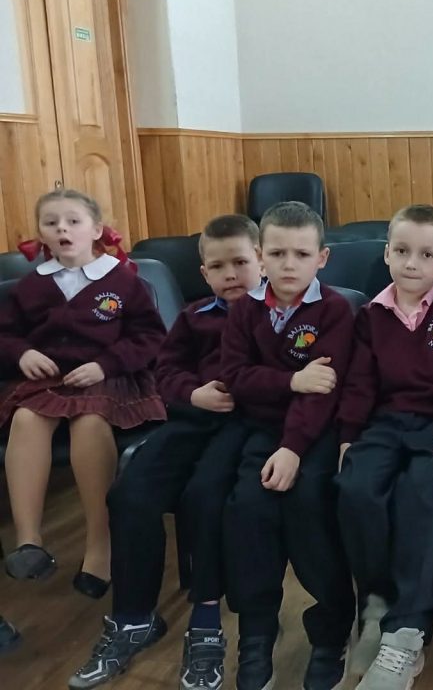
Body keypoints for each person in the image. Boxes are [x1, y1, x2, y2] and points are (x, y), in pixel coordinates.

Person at [69, 214, 263, 690]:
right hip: (190, 421)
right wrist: (195, 394)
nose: (231, 274)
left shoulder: (276, 317)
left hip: (244, 428)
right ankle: (133, 617)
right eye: (218, 267)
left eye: (240, 262)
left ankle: (206, 623)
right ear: (204, 273)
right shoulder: (195, 318)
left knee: (205, 499)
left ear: (261, 260)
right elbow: (168, 373)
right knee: (129, 494)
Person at [336, 204, 433, 690]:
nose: (411, 263)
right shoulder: (371, 316)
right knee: (357, 487)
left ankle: (408, 631)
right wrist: (348, 434)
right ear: (387, 254)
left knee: (424, 493)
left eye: (426, 254)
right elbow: (359, 383)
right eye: (402, 251)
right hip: (383, 423)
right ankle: (378, 602)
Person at [0, 189, 165, 596]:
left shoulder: (124, 281)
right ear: (41, 233)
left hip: (108, 376)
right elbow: (5, 334)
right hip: (48, 380)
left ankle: (99, 545)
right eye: (51, 222)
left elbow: (150, 337)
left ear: (96, 230)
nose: (62, 229)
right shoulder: (30, 286)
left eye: (73, 221)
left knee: (90, 422)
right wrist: (23, 353)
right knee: (26, 418)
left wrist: (105, 364)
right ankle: (29, 541)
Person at [221, 201, 356, 690]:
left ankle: (331, 631)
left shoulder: (334, 310)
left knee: (309, 506)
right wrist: (291, 380)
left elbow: (325, 389)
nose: (288, 265)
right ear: (260, 255)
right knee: (248, 509)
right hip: (261, 432)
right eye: (277, 253)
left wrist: (295, 447)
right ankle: (256, 632)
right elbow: (235, 377)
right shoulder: (244, 311)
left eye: (301, 254)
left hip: (316, 433)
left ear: (322, 257)